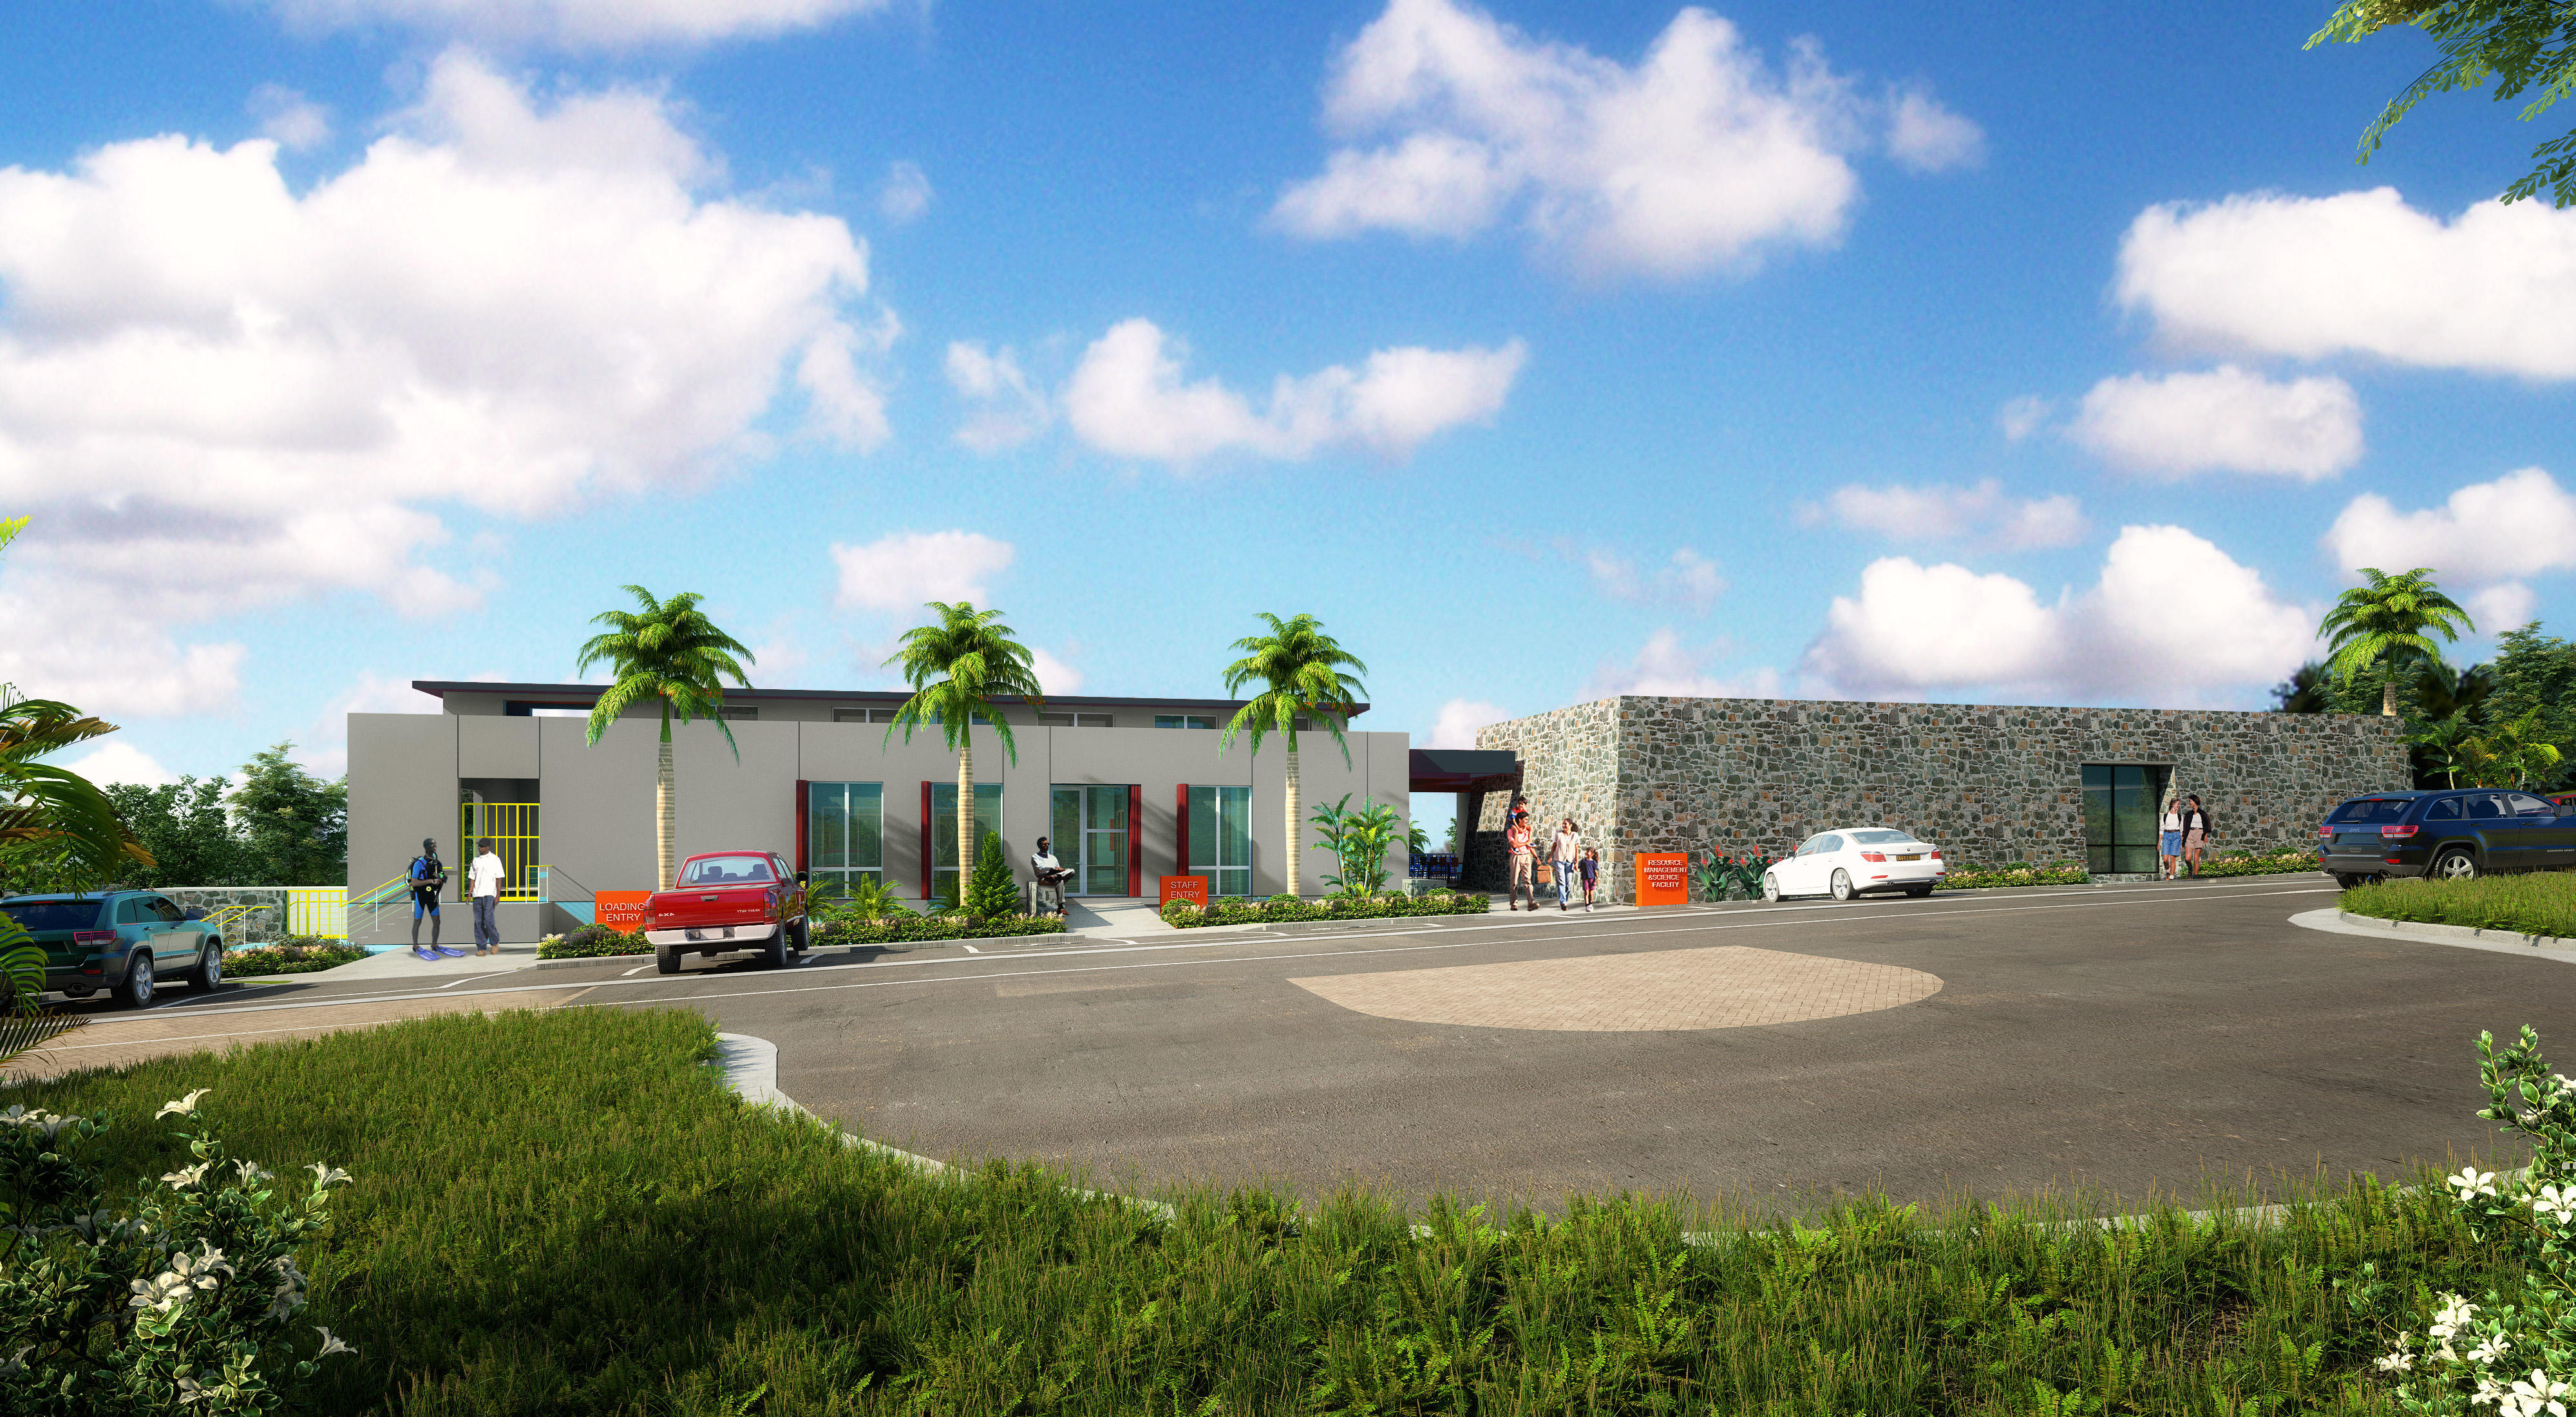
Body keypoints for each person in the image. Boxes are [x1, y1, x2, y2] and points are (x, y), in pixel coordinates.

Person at [406, 838, 460, 960]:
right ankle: (415, 945)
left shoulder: (437, 864)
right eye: (432, 844)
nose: (435, 846)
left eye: (435, 844)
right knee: (418, 921)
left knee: (437, 921)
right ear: (426, 847)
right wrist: (431, 881)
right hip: (421, 896)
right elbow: (414, 883)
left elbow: (441, 880)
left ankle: (434, 945)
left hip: (432, 897)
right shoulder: (419, 864)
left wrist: (437, 895)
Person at [467, 840, 506, 956]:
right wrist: (469, 894)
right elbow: (472, 878)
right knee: (478, 922)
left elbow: (499, 879)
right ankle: (482, 948)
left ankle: (495, 942)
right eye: (479, 846)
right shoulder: (476, 860)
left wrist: (498, 896)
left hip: (490, 894)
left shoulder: (495, 859)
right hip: (477, 895)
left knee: (488, 921)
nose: (480, 848)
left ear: (487, 847)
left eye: (482, 846)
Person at [1028, 835, 1072, 916]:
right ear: (1040, 846)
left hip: (1055, 877)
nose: (1047, 846)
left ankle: (1061, 908)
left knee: (1070, 872)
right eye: (1045, 844)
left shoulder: (1053, 858)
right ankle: (1061, 907)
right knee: (1060, 881)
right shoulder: (1035, 857)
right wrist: (1053, 868)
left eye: (1048, 844)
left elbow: (1059, 869)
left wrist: (1057, 871)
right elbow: (1040, 868)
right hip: (1043, 879)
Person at [1505, 812, 1536, 910]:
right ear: (1520, 820)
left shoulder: (1527, 832)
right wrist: (1526, 843)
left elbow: (1530, 845)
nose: (1527, 822)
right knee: (1514, 882)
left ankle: (1531, 903)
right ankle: (1514, 903)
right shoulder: (1511, 831)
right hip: (1516, 857)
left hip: (1526, 856)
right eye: (1525, 820)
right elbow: (1514, 845)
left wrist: (1537, 858)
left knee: (1528, 882)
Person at [1551, 817, 1582, 911]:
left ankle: (1565, 901)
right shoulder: (1559, 835)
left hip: (1570, 862)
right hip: (1560, 860)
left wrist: (1577, 862)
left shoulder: (1575, 836)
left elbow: (1577, 850)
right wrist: (1550, 857)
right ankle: (1563, 903)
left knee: (1568, 883)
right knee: (1562, 882)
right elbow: (1554, 846)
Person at [2182, 795, 2216, 877]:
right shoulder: (2188, 814)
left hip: (2199, 834)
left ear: (2195, 801)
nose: (2189, 803)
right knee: (2188, 859)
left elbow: (2207, 826)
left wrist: (2205, 837)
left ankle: (2195, 876)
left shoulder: (2203, 814)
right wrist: (2182, 840)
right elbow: (2185, 828)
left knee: (2196, 859)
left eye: (2190, 801)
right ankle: (2190, 869)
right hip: (2190, 835)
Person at [2157, 797, 2184, 880]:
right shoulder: (2165, 816)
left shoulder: (2180, 817)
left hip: (2176, 836)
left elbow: (2182, 832)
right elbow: (2161, 830)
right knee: (2165, 860)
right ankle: (2168, 872)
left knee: (2173, 858)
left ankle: (2172, 877)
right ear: (2173, 805)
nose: (2179, 806)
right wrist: (2159, 843)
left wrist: (2182, 844)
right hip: (2166, 836)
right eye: (2178, 804)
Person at [1578, 846, 1600, 912]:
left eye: (1588, 851)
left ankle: (1590, 904)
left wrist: (1598, 879)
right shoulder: (1583, 861)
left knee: (1591, 893)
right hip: (1585, 878)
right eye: (1586, 851)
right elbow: (1579, 869)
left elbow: (1596, 871)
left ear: (1592, 854)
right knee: (1586, 892)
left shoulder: (1593, 862)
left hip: (1592, 879)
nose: (1586, 852)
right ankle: (1587, 905)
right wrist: (1576, 868)